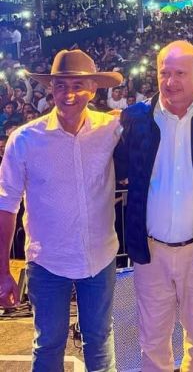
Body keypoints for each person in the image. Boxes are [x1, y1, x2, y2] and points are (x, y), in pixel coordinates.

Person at [114, 41, 193, 371]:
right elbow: (119, 168)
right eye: (164, 73)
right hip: (150, 253)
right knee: (152, 341)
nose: (171, 82)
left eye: (180, 73)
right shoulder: (135, 119)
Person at [0, 50, 123, 371]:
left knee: (100, 341)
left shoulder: (111, 128)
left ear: (93, 88)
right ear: (50, 89)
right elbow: (6, 205)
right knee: (48, 345)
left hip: (99, 258)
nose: (69, 94)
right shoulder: (24, 140)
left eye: (78, 85)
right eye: (60, 85)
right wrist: (2, 272)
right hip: (47, 263)